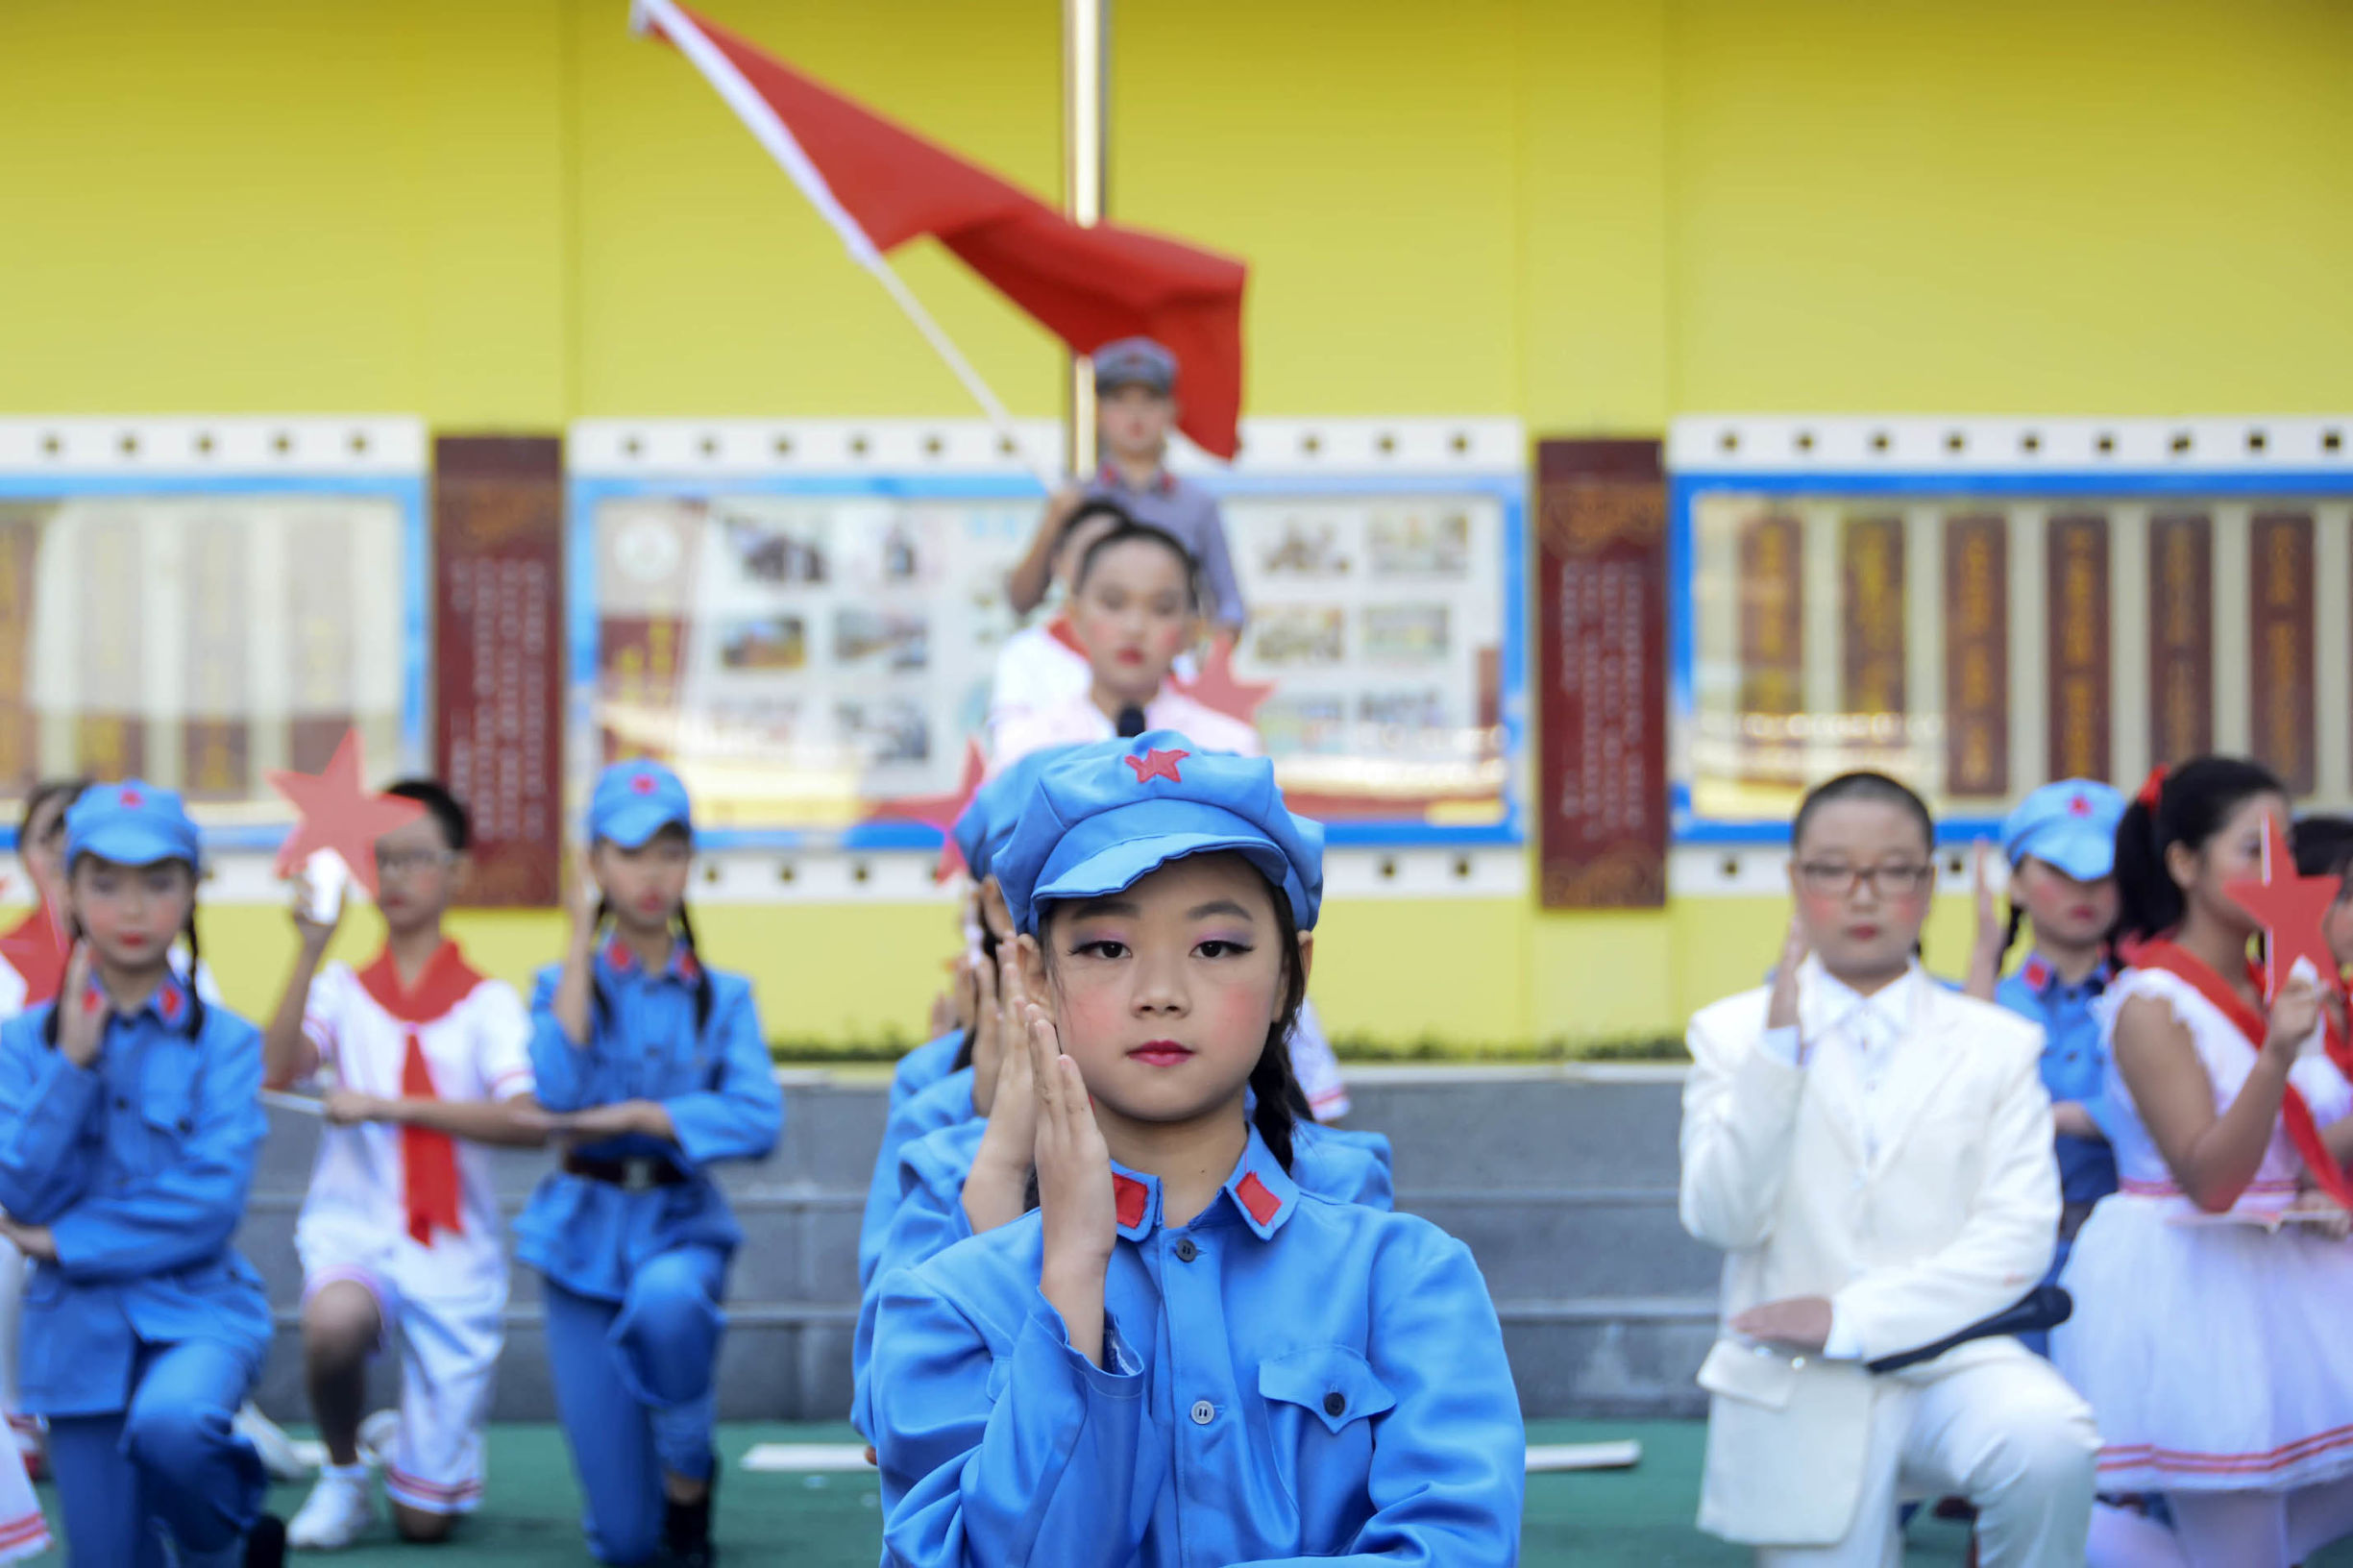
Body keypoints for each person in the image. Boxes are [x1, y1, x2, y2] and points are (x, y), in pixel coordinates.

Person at [869, 732, 1525, 1563]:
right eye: (1107, 948)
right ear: (1034, 976)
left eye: (1216, 947)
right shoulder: (948, 1305)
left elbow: (1456, 1548)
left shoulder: (1404, 1280)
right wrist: (1072, 1281)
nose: (1161, 995)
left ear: (1292, 972)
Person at [1680, 771, 2099, 1566]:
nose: (1863, 895)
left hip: (1956, 1360)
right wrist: (1776, 1063)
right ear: (1796, 881)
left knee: (2050, 1442)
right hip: (1794, 1376)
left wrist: (1851, 1317)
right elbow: (1719, 1218)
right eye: (1834, 869)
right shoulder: (1732, 1036)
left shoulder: (1996, 1044)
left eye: (1894, 870)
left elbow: (2015, 1239)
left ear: (1928, 883)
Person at [2052, 758, 2353, 1568]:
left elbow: (2302, 1148)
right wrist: (2275, 1057)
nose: (2277, 872)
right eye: (2251, 850)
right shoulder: (2151, 1004)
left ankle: (2057, 1536)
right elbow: (2211, 1180)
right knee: (2243, 1550)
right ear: (2183, 864)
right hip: (2193, 1285)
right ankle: (2048, 1530)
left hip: (2290, 1270)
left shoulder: (2279, 985)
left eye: (2286, 849)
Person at [0, 781, 285, 1566]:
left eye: (158, 882)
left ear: (193, 892)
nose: (132, 909)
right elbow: (14, 1190)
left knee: (173, 1425)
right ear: (68, 892)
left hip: (198, 1313)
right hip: (75, 1338)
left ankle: (223, 1536)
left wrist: (62, 1239)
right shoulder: (22, 1047)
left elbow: (210, 1203)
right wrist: (73, 1067)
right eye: (105, 883)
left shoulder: (225, 1043)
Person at [261, 780, 547, 1549]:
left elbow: (526, 1121)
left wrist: (390, 1106)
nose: (396, 877)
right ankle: (346, 1472)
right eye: (382, 860)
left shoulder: (487, 1003)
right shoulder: (344, 990)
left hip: (453, 1252)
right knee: (332, 1322)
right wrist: (310, 945)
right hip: (353, 1230)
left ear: (456, 873)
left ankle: (412, 1449)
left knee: (425, 1526)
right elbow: (277, 1068)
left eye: (417, 859)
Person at [519, 759, 783, 1567]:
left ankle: (689, 1477)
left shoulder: (723, 996)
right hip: (579, 1240)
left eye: (669, 852)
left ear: (688, 863)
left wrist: (643, 1116)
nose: (650, 874)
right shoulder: (558, 986)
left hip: (679, 1224)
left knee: (670, 1301)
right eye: (628, 854)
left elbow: (758, 1118)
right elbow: (556, 1092)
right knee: (626, 1547)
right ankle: (663, 1497)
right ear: (594, 863)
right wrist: (574, 934)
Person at [1966, 780, 2127, 1314]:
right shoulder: (1981, 1004)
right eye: (2059, 871)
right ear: (2015, 883)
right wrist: (1981, 962)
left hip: (2129, 1264)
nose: (2084, 890)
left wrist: (2076, 1116)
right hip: (2009, 1267)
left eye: (2102, 873)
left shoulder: (2155, 1001)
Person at [1004, 339, 1246, 641]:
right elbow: (1020, 602)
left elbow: (1230, 607)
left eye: (1149, 399)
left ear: (1171, 411)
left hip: (1170, 672)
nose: (1135, 413)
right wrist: (1052, 523)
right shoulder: (1073, 500)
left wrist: (1209, 659)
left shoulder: (1197, 505)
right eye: (1119, 399)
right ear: (1099, 412)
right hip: (1087, 674)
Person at [991, 520, 1258, 773]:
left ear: (1191, 631)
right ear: (1074, 616)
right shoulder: (1024, 752)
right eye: (1113, 603)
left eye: (1162, 608)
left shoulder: (1229, 755)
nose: (1135, 627)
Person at [986, 498, 1132, 737]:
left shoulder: (1163, 651)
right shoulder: (1025, 654)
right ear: (1058, 563)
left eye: (1115, 552)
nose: (1104, 567)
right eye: (1090, 553)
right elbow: (1012, 754)